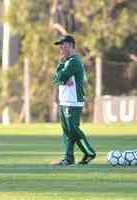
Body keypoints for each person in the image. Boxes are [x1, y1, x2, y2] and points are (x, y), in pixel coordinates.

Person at [51, 35, 96, 165]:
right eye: (60, 45)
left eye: (63, 44)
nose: (60, 47)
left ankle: (89, 152)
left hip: (73, 101)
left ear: (70, 45)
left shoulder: (74, 61)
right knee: (67, 131)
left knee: (73, 129)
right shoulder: (65, 61)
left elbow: (61, 75)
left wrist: (62, 77)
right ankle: (68, 158)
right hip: (64, 101)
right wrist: (63, 77)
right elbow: (55, 79)